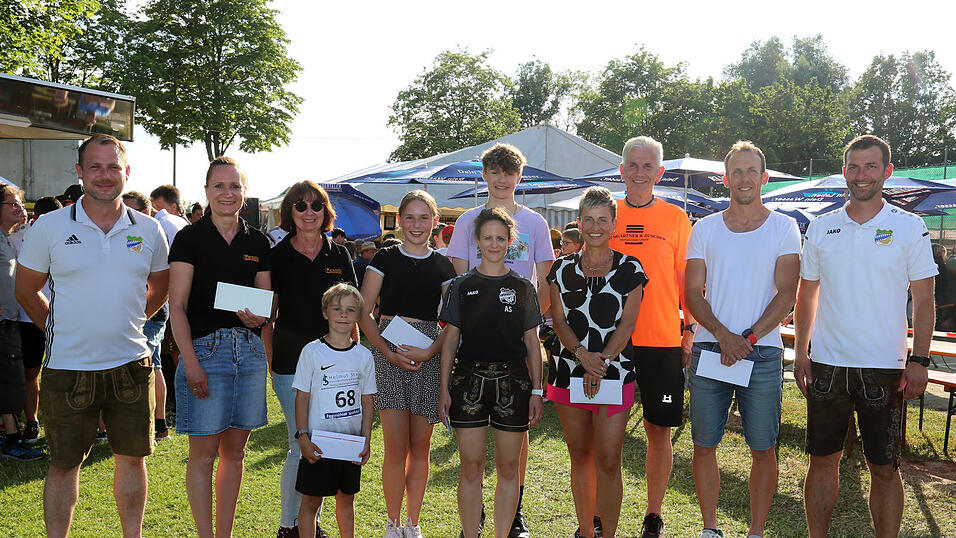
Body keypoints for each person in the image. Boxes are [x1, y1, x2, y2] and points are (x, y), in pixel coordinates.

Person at [16, 134, 170, 537]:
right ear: (80, 172)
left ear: (127, 172)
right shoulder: (49, 226)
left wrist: (133, 320)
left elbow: (160, 285)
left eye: (113, 167)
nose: (105, 176)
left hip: (131, 364)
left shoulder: (151, 230)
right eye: (96, 167)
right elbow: (26, 290)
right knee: (63, 464)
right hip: (67, 367)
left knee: (133, 459)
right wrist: (58, 330)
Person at [794, 135, 936, 538]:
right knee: (822, 462)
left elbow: (924, 300)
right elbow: (808, 294)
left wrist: (920, 359)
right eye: (854, 167)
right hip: (827, 363)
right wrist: (802, 352)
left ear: (887, 172)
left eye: (871, 166)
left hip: (885, 367)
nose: (861, 175)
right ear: (844, 172)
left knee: (885, 468)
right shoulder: (822, 227)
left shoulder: (909, 226)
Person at [684, 142, 801, 538]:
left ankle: (755, 531)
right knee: (704, 443)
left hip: (762, 352)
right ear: (726, 178)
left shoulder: (784, 228)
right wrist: (723, 335)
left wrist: (746, 338)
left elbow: (787, 293)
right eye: (737, 172)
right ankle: (710, 529)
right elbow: (692, 294)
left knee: (763, 447)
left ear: (764, 178)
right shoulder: (705, 228)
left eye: (752, 171)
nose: (745, 178)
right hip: (709, 349)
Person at [447, 143, 554, 538]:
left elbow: (545, 280)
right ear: (485, 175)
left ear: (519, 177)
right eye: (495, 172)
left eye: (510, 173)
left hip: (518, 342)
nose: (503, 179)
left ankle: (515, 515)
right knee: (472, 456)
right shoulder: (467, 222)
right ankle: (472, 525)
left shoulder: (536, 223)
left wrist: (527, 323)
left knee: (516, 435)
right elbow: (456, 279)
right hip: (474, 346)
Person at [168, 156, 272, 538]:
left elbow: (266, 305)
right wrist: (190, 363)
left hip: (248, 353)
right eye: (219, 186)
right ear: (207, 191)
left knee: (235, 453)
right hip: (205, 352)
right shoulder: (189, 238)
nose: (227, 193)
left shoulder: (257, 240)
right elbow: (176, 306)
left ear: (243, 192)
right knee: (203, 456)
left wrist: (257, 318)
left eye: (235, 186)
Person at [608, 135, 695, 537]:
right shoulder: (605, 213)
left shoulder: (676, 219)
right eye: (633, 165)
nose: (640, 173)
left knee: (658, 430)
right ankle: (599, 513)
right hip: (611, 341)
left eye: (649, 167)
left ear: (660, 173)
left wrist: (689, 328)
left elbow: (685, 281)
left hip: (661, 340)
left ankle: (653, 514)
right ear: (622, 170)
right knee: (606, 428)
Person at [547, 187, 647, 538]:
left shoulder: (630, 268)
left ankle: (609, 534)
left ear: (614, 224)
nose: (594, 226)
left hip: (614, 370)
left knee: (608, 459)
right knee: (579, 454)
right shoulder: (560, 269)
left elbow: (628, 324)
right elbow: (558, 321)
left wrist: (600, 362)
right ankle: (586, 531)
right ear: (578, 222)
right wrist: (582, 357)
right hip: (569, 368)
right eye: (588, 219)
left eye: (602, 219)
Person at [358, 190, 456, 538]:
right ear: (400, 221)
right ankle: (392, 522)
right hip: (388, 354)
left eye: (423, 217)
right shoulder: (384, 258)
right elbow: (364, 311)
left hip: (429, 356)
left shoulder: (445, 265)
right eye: (410, 217)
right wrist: (387, 351)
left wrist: (429, 353)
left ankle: (413, 523)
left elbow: (451, 321)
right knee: (396, 447)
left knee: (421, 448)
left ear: (434, 222)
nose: (417, 225)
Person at [264, 180, 355, 538]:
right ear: (290, 213)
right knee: (298, 443)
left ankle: (309, 523)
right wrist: (274, 362)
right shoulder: (277, 255)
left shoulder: (339, 255)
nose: (309, 212)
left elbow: (351, 308)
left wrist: (355, 356)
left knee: (325, 441)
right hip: (291, 365)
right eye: (300, 206)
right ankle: (290, 526)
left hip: (335, 365)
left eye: (316, 205)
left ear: (325, 211)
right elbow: (267, 315)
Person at [294, 283, 376, 538]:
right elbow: (302, 397)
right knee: (310, 503)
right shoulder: (311, 351)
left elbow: (367, 401)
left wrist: (366, 440)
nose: (343, 315)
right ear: (325, 313)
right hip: (318, 443)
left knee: (346, 501)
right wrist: (302, 436)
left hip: (349, 444)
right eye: (337, 309)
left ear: (357, 316)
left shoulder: (364, 356)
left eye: (350, 310)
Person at [0, 184, 44, 462]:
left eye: (20, 204)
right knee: (10, 381)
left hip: (10, 321)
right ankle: (12, 441)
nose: (20, 208)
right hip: (4, 323)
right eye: (13, 204)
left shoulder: (6, 238)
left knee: (12, 379)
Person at [13, 195, 61, 445]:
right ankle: (32, 421)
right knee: (31, 372)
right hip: (27, 316)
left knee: (63, 370)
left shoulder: (65, 235)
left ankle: (63, 422)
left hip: (63, 316)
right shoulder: (18, 237)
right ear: (38, 218)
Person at [146, 184, 189, 440]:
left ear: (172, 205)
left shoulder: (163, 224)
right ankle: (172, 412)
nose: (154, 212)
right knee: (168, 357)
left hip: (170, 300)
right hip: (172, 301)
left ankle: (172, 412)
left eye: (157, 207)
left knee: (167, 358)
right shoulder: (180, 224)